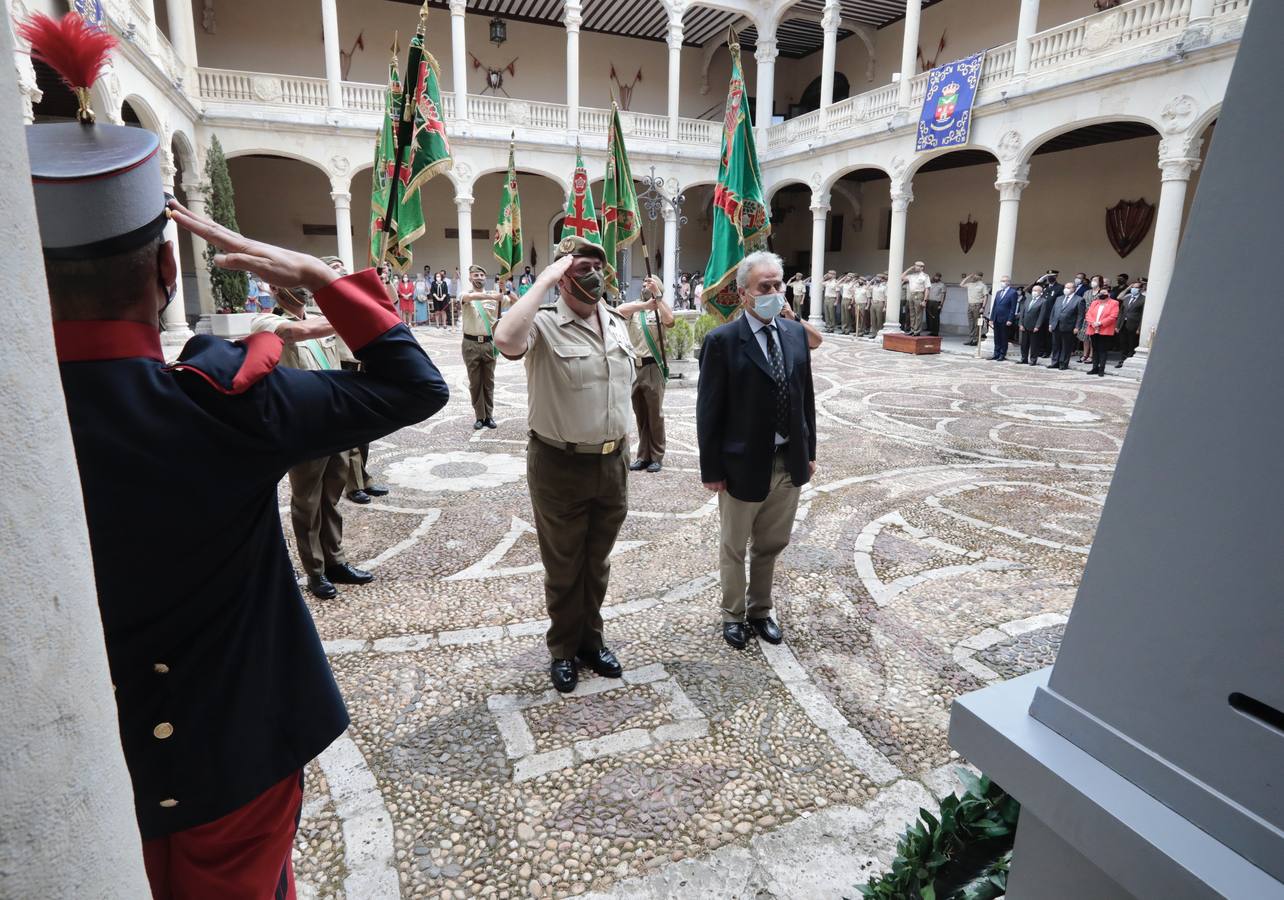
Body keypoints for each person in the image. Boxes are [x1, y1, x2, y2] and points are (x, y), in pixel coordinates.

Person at [29, 80, 449, 895]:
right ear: (163, 269)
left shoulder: (26, 437)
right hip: (234, 755)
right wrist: (316, 276)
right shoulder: (224, 404)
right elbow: (414, 387)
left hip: (78, 769)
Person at [493, 236, 635, 693]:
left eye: (598, 264)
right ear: (561, 275)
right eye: (581, 266)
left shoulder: (615, 321)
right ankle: (562, 649)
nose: (594, 272)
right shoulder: (544, 323)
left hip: (613, 461)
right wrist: (545, 282)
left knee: (597, 562)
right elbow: (505, 340)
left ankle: (591, 640)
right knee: (564, 564)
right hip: (560, 462)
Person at [696, 250, 818, 650]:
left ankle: (760, 609)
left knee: (771, 544)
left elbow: (806, 400)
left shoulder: (795, 334)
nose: (774, 293)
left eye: (777, 285)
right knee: (734, 545)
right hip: (742, 463)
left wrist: (809, 451)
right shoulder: (723, 341)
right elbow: (709, 411)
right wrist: (711, 468)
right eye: (764, 287)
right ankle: (733, 614)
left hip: (788, 461)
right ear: (744, 293)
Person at [251, 287, 376, 598]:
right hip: (305, 426)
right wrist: (348, 318)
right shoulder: (265, 322)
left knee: (331, 497)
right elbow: (295, 332)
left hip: (335, 423)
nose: (302, 292)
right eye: (293, 286)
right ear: (276, 290)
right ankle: (315, 572)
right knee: (307, 502)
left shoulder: (322, 321)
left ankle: (336, 561)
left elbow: (351, 358)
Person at [618, 275, 673, 474]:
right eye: (643, 285)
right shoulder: (635, 308)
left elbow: (670, 321)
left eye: (649, 285)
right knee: (640, 413)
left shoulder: (662, 308)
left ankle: (657, 456)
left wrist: (657, 300)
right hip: (635, 367)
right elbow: (618, 312)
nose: (644, 287)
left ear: (658, 288)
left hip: (653, 367)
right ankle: (643, 456)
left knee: (655, 414)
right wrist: (643, 306)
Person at [459, 265, 507, 430]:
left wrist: (504, 292)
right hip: (470, 344)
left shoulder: (494, 296)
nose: (479, 277)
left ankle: (489, 416)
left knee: (489, 382)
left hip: (488, 344)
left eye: (481, 275)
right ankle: (479, 416)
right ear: (470, 278)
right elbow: (468, 298)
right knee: (475, 383)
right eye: (475, 275)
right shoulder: (466, 295)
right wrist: (493, 296)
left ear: (485, 278)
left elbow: (513, 300)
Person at [1048, 282, 1083, 370]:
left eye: (1068, 288)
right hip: (1056, 325)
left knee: (1066, 346)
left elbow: (1080, 315)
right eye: (1065, 287)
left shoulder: (1079, 300)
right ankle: (1055, 362)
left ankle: (1063, 363)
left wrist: (1077, 327)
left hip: (1069, 326)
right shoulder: (1059, 298)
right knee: (1056, 345)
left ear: (1074, 289)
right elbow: (1053, 311)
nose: (1066, 289)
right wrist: (1051, 323)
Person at [1085, 288, 1119, 376]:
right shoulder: (1094, 302)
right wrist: (1093, 323)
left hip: (1104, 329)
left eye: (1104, 292)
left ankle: (1101, 369)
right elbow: (1088, 314)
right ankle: (1094, 368)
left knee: (1103, 350)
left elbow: (1113, 316)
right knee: (1095, 349)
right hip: (1093, 328)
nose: (1102, 294)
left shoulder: (1114, 303)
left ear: (1109, 294)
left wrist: (1100, 323)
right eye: (1100, 293)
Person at [1016, 281, 1052, 365]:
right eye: (1033, 290)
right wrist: (1020, 323)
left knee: (1034, 344)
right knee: (1024, 344)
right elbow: (1023, 313)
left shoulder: (1043, 301)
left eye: (1036, 291)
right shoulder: (1027, 300)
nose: (1034, 292)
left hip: (1034, 326)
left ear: (1041, 292)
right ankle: (1023, 358)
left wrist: (1037, 326)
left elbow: (1041, 315)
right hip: (1024, 325)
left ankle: (1033, 359)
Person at [1115, 280, 1145, 366]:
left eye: (1136, 287)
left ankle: (1129, 360)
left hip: (1134, 325)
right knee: (1123, 343)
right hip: (1123, 324)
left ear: (1141, 289)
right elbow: (1121, 312)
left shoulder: (1143, 299)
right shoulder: (1127, 298)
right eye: (1132, 287)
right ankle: (1122, 360)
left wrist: (1139, 328)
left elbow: (1143, 315)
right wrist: (1117, 325)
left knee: (1131, 343)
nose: (1134, 289)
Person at [988, 275, 1018, 361]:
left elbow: (1013, 307)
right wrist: (991, 318)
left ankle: (1002, 354)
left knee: (1003, 337)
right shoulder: (998, 292)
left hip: (1005, 319)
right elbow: (994, 306)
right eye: (1002, 281)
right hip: (997, 318)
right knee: (996, 337)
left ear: (1008, 282)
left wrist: (1010, 319)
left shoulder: (1013, 292)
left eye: (1004, 281)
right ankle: (996, 353)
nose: (1003, 282)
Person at [902, 261, 931, 336]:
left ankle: (917, 331)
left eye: (917, 266)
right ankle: (912, 329)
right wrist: (909, 269)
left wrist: (925, 300)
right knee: (912, 313)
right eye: (915, 265)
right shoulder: (912, 275)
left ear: (922, 268)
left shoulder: (925, 276)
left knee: (918, 313)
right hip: (911, 295)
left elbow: (927, 289)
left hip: (919, 294)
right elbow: (901, 277)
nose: (915, 267)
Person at [962, 272, 987, 346]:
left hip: (977, 306)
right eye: (973, 276)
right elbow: (961, 284)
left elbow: (986, 296)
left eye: (975, 276)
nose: (974, 277)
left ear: (980, 277)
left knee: (977, 324)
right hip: (970, 305)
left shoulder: (982, 286)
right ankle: (971, 339)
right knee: (971, 323)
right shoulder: (970, 284)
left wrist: (983, 307)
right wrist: (968, 277)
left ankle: (976, 340)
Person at [926, 272, 947, 337]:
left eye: (937, 277)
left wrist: (941, 305)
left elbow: (943, 295)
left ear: (939, 278)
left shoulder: (942, 285)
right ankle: (931, 330)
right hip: (929, 301)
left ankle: (935, 332)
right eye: (935, 276)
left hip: (936, 302)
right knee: (929, 317)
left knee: (935, 317)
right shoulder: (930, 283)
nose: (936, 278)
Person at [869, 274, 888, 339]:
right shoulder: (874, 286)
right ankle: (874, 333)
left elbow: (886, 297)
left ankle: (879, 333)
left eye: (879, 277)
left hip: (880, 303)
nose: (877, 278)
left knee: (879, 319)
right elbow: (867, 287)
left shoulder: (884, 287)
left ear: (882, 279)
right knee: (873, 319)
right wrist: (872, 280)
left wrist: (885, 306)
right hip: (873, 303)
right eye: (876, 277)